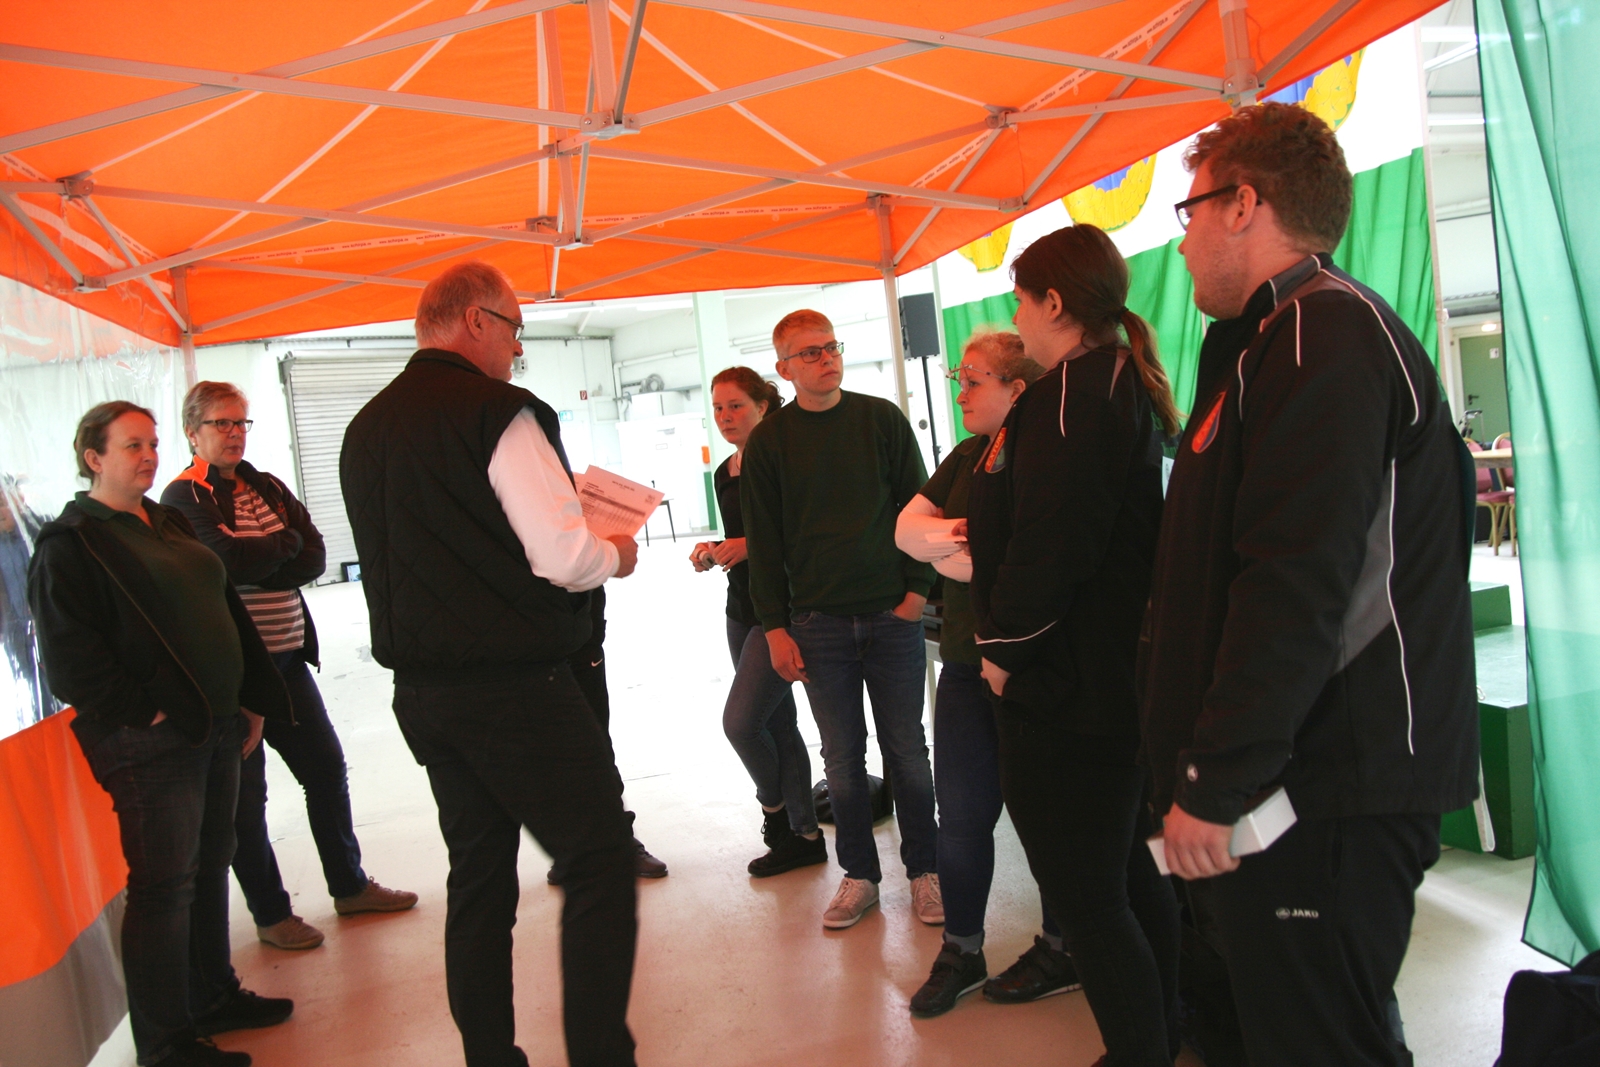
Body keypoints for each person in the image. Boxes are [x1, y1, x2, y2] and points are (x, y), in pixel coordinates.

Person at [1143, 101, 1478, 1067]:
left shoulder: (1320, 332)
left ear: (1243, 204)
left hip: (1328, 782)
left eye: (1191, 212)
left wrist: (1216, 776)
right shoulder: (1271, 339)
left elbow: (1294, 583)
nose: (1185, 240)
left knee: (1320, 1041)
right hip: (1297, 777)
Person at [340, 261, 641, 1067]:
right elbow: (563, 555)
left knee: (478, 875)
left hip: (424, 692)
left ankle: (488, 1055)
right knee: (599, 858)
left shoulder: (366, 426)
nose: (517, 349)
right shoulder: (498, 413)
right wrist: (616, 552)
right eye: (514, 330)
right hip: (514, 686)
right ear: (476, 321)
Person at [966, 225, 1183, 1067]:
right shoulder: (1110, 381)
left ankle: (1140, 1048)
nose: (1017, 317)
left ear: (1055, 302)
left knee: (1090, 897)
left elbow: (1054, 547)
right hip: (1108, 676)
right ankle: (1157, 1036)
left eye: (1022, 299)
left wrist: (1001, 652)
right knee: (1125, 874)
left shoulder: (1073, 396)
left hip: (1068, 687)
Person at [28, 401, 294, 1067]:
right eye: (131, 446)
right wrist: (146, 713)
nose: (148, 456)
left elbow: (221, 605)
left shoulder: (165, 520)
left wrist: (249, 695)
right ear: (93, 457)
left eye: (151, 443)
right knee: (164, 886)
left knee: (209, 863)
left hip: (216, 721)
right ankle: (166, 1043)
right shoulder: (73, 543)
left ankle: (212, 995)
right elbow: (69, 658)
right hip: (152, 741)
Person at [162, 381, 417, 952]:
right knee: (246, 802)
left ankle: (349, 887)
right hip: (236, 676)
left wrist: (271, 554)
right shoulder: (183, 497)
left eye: (241, 423)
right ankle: (272, 914)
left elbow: (316, 555)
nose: (234, 433)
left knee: (325, 770)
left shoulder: (267, 485)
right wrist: (283, 548)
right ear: (193, 432)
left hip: (288, 661)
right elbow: (225, 562)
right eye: (222, 423)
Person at [894, 330, 1083, 1018]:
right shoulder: (969, 454)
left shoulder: (1051, 455)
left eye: (973, 380)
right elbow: (906, 530)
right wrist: (959, 541)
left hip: (1035, 669)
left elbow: (1030, 561)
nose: (961, 393)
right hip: (967, 665)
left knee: (1047, 818)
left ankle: (1063, 947)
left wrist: (958, 550)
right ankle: (962, 949)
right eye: (959, 379)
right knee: (963, 817)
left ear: (1017, 387)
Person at [740, 309, 941, 930]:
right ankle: (860, 876)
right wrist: (776, 627)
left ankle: (925, 871)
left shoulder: (881, 419)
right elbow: (764, 544)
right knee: (843, 759)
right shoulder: (770, 442)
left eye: (831, 347)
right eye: (810, 352)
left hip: (891, 616)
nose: (827, 358)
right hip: (818, 623)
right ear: (784, 369)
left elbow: (922, 508)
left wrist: (917, 594)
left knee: (907, 749)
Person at [691, 366, 825, 877]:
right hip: (740, 609)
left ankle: (775, 812)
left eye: (736, 406)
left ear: (763, 407)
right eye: (718, 408)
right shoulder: (725, 470)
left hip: (781, 612)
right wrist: (712, 550)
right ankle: (805, 836)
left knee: (741, 724)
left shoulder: (785, 461)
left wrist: (750, 546)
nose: (725, 417)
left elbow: (805, 535)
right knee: (778, 725)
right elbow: (740, 534)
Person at [547, 588, 670, 884]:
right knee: (547, 750)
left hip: (580, 633)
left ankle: (620, 842)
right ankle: (570, 850)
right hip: (529, 641)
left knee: (595, 742)